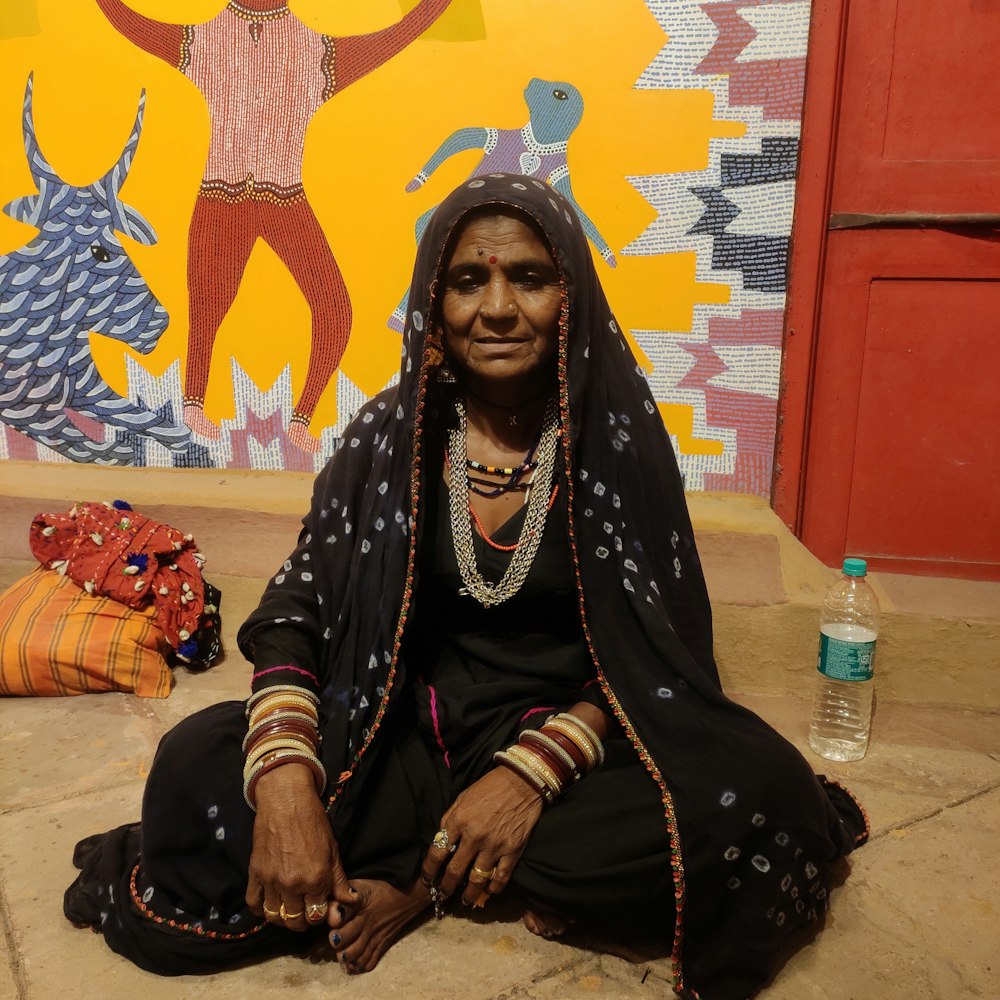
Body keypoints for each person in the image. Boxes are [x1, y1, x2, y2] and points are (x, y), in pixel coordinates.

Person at [64, 173, 868, 1000]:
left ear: (572, 295)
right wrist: (286, 784)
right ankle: (462, 867)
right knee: (198, 769)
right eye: (467, 280)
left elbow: (660, 653)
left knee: (756, 802)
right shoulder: (389, 435)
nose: (496, 307)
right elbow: (295, 610)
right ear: (433, 303)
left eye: (528, 277)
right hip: (400, 722)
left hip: (568, 741)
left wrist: (530, 776)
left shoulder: (616, 436)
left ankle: (420, 879)